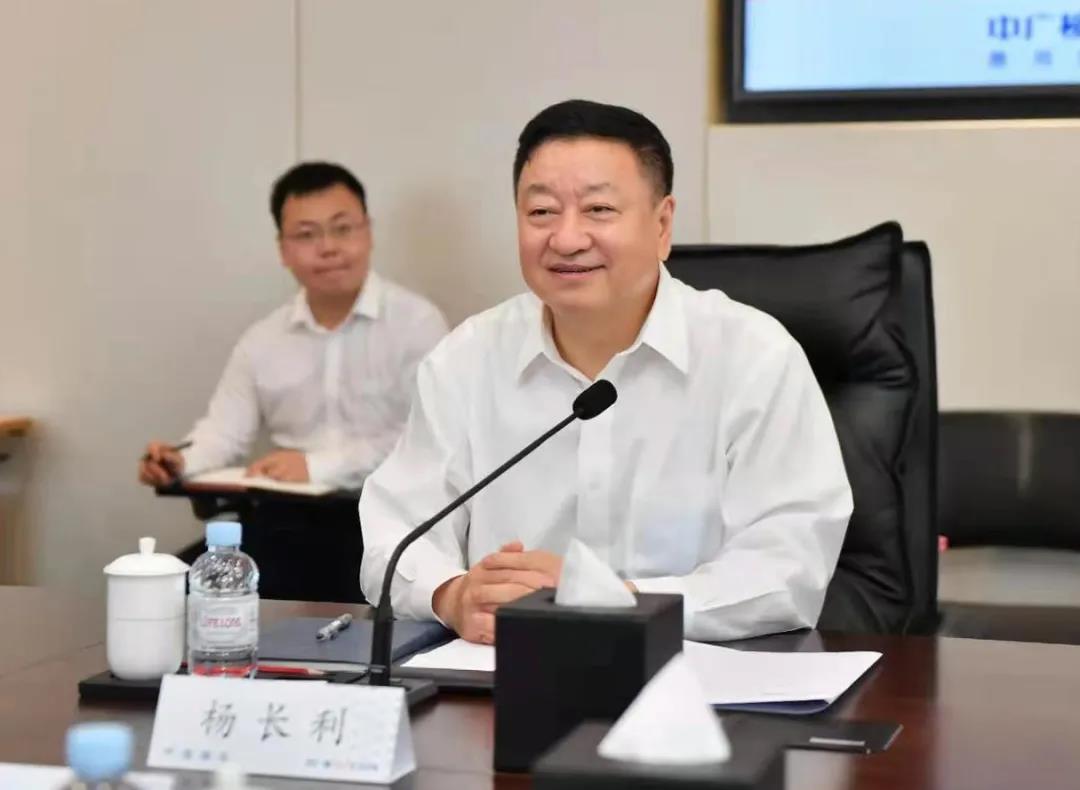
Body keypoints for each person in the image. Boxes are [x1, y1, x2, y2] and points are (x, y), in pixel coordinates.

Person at [359, 100, 852, 642]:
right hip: (504, 673)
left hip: (699, 679)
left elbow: (787, 568)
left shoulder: (754, 357)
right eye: (541, 212)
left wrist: (615, 604)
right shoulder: (466, 359)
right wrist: (451, 594)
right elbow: (393, 534)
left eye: (598, 209)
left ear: (662, 224)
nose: (567, 239)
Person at [139, 161, 447, 601]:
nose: (328, 247)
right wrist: (178, 462)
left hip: (390, 528)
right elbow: (224, 433)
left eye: (343, 228)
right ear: (283, 249)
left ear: (368, 232)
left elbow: (426, 441)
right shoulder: (263, 339)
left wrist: (316, 466)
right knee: (168, 591)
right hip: (284, 525)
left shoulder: (417, 324)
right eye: (306, 235)